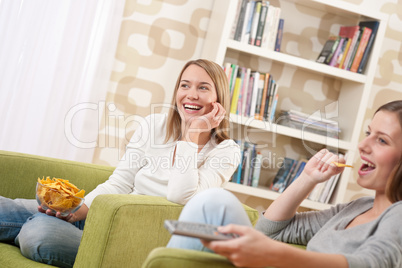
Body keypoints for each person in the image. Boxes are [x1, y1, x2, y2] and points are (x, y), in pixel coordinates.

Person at [0, 59, 240, 268]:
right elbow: (120, 182)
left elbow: (181, 197)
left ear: (219, 99)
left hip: (128, 238)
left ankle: (29, 226)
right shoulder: (154, 125)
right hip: (102, 216)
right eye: (184, 85)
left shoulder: (226, 151)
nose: (191, 94)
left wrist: (192, 135)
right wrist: (79, 211)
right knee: (4, 208)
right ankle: (34, 223)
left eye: (203, 88)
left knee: (39, 233)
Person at [167, 100, 402, 268]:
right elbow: (271, 232)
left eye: (381, 140)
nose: (363, 145)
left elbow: (372, 264)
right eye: (368, 133)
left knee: (214, 201)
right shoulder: (356, 207)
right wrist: (307, 178)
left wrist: (278, 257)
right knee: (213, 202)